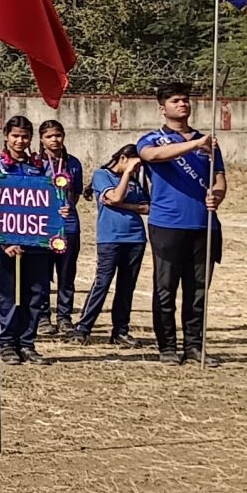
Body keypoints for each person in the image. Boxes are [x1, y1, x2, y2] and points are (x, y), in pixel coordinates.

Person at [140, 83, 226, 367]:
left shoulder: (208, 143)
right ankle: (167, 347)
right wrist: (193, 145)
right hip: (168, 224)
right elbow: (151, 157)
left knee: (198, 289)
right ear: (162, 107)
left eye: (186, 100)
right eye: (176, 100)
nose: (183, 104)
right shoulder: (153, 139)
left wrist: (217, 196)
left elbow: (220, 180)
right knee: (165, 288)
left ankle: (194, 346)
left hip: (203, 225)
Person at [0, 116, 55, 365]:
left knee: (35, 293)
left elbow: (48, 202)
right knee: (9, 295)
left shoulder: (37, 168)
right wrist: (4, 241)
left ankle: (27, 342)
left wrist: (61, 212)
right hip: (6, 245)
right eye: (15, 135)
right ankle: (6, 343)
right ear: (6, 136)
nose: (20, 140)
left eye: (25, 136)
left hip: (35, 242)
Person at [71, 143, 150, 347]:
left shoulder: (137, 181)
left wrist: (125, 205)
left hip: (135, 238)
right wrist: (126, 176)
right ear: (124, 158)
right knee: (103, 282)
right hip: (110, 238)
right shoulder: (102, 175)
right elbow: (114, 196)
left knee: (126, 286)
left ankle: (120, 331)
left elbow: (147, 207)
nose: (137, 170)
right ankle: (83, 327)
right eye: (134, 165)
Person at [39, 119, 86, 335]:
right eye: (49, 136)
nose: (54, 140)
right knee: (41, 274)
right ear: (41, 139)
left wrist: (66, 208)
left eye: (58, 135)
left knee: (67, 273)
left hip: (68, 225)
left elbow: (75, 193)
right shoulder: (36, 163)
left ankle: (64, 317)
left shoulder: (73, 163)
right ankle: (42, 317)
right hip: (42, 226)